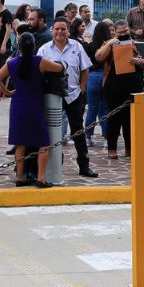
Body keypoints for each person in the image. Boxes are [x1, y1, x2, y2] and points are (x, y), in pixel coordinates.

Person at [0, 32, 63, 187]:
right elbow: (59, 68)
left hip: (17, 105)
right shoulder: (40, 61)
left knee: (20, 143)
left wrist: (8, 92)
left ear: (19, 47)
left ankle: (21, 177)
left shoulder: (11, 63)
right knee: (44, 143)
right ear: (34, 46)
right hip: (35, 106)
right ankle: (41, 178)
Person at [37, 17, 97, 178]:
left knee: (78, 131)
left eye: (63, 29)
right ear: (52, 30)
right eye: (57, 29)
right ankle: (55, 164)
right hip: (52, 96)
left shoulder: (77, 46)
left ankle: (84, 165)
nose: (60, 32)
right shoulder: (44, 50)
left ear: (68, 31)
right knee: (50, 132)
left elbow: (85, 69)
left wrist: (82, 87)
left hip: (73, 95)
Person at [94, 20, 144, 159]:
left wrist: (139, 61)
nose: (123, 34)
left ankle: (129, 148)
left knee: (130, 119)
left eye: (125, 31)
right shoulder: (110, 44)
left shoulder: (132, 43)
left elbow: (143, 61)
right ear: (114, 32)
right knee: (114, 118)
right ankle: (112, 148)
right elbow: (98, 57)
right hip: (114, 86)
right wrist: (111, 43)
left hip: (132, 85)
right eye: (120, 32)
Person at [83, 21, 109, 148]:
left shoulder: (90, 46)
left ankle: (88, 136)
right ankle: (106, 137)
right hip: (105, 76)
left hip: (92, 76)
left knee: (92, 108)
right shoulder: (109, 46)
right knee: (104, 108)